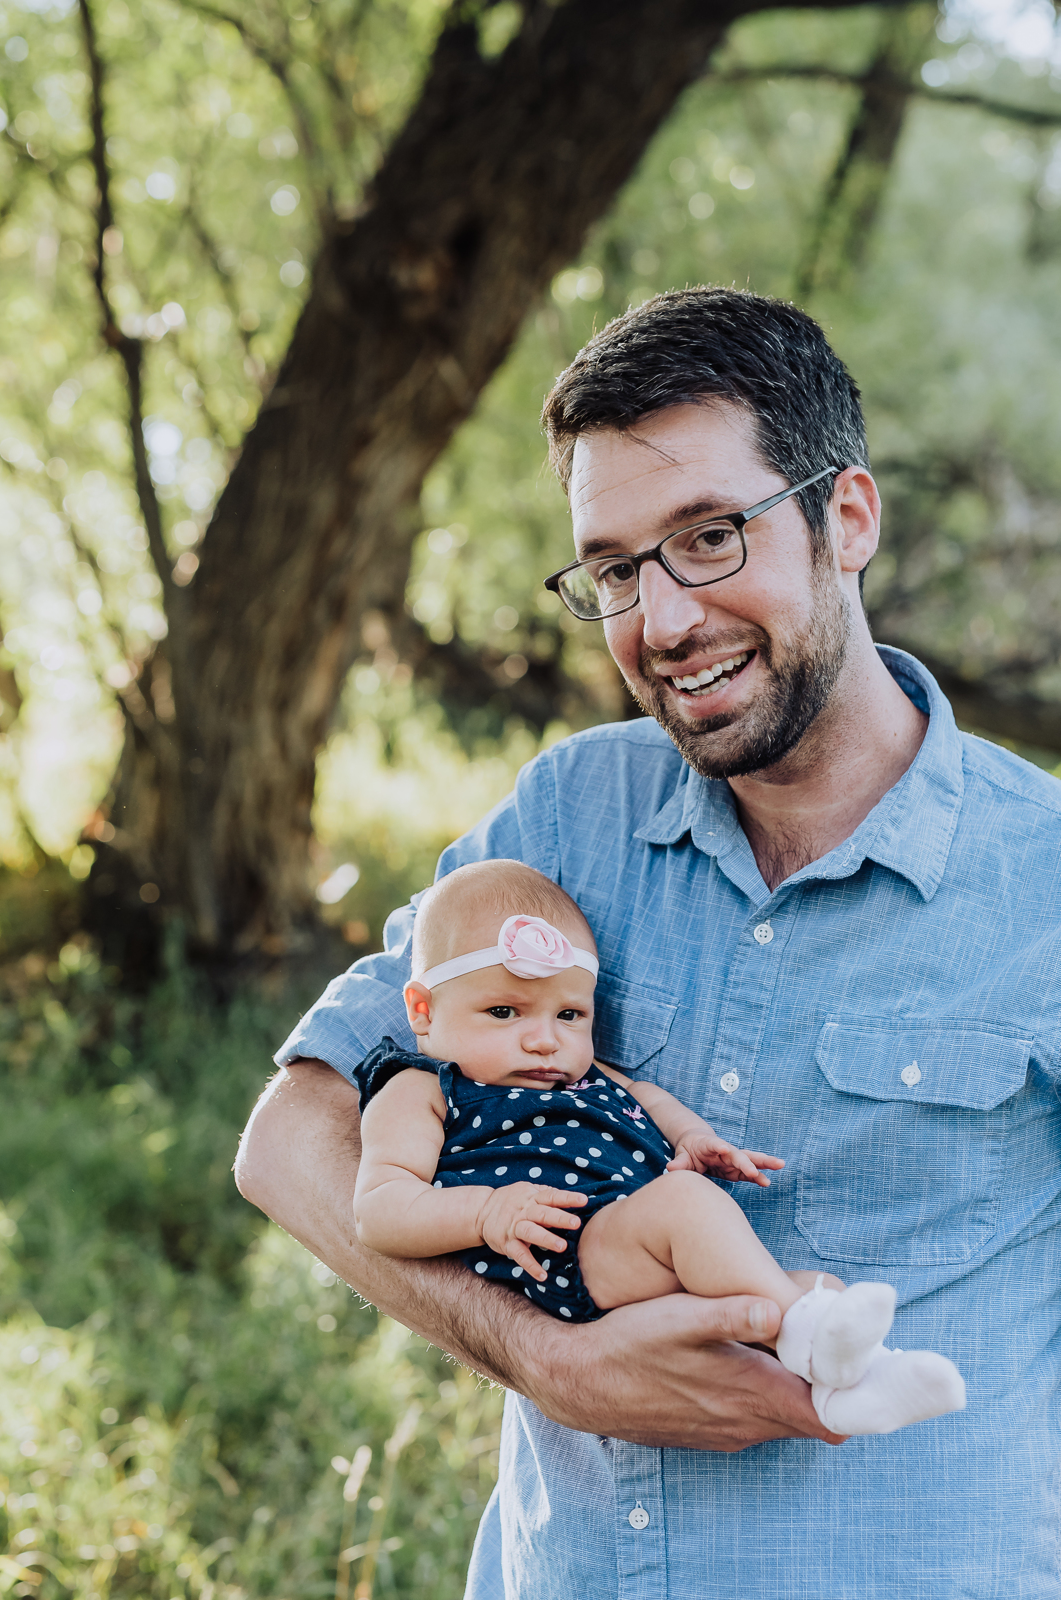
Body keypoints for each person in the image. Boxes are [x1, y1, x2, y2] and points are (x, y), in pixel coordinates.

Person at [236, 287, 1061, 1597]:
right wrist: (544, 1359)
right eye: (615, 568)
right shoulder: (567, 817)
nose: (663, 620)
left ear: (844, 518)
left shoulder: (1043, 882)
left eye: (711, 537)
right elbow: (289, 1137)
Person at [352, 857, 965, 1437]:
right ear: (423, 1011)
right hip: (571, 1255)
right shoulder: (425, 1088)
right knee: (686, 1205)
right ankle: (817, 1341)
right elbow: (379, 1207)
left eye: (569, 1015)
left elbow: (647, 1094)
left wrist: (694, 1136)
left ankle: (858, 1384)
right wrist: (484, 1212)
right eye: (505, 1011)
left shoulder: (585, 1078)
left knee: (815, 1285)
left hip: (638, 1241)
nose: (544, 1041)